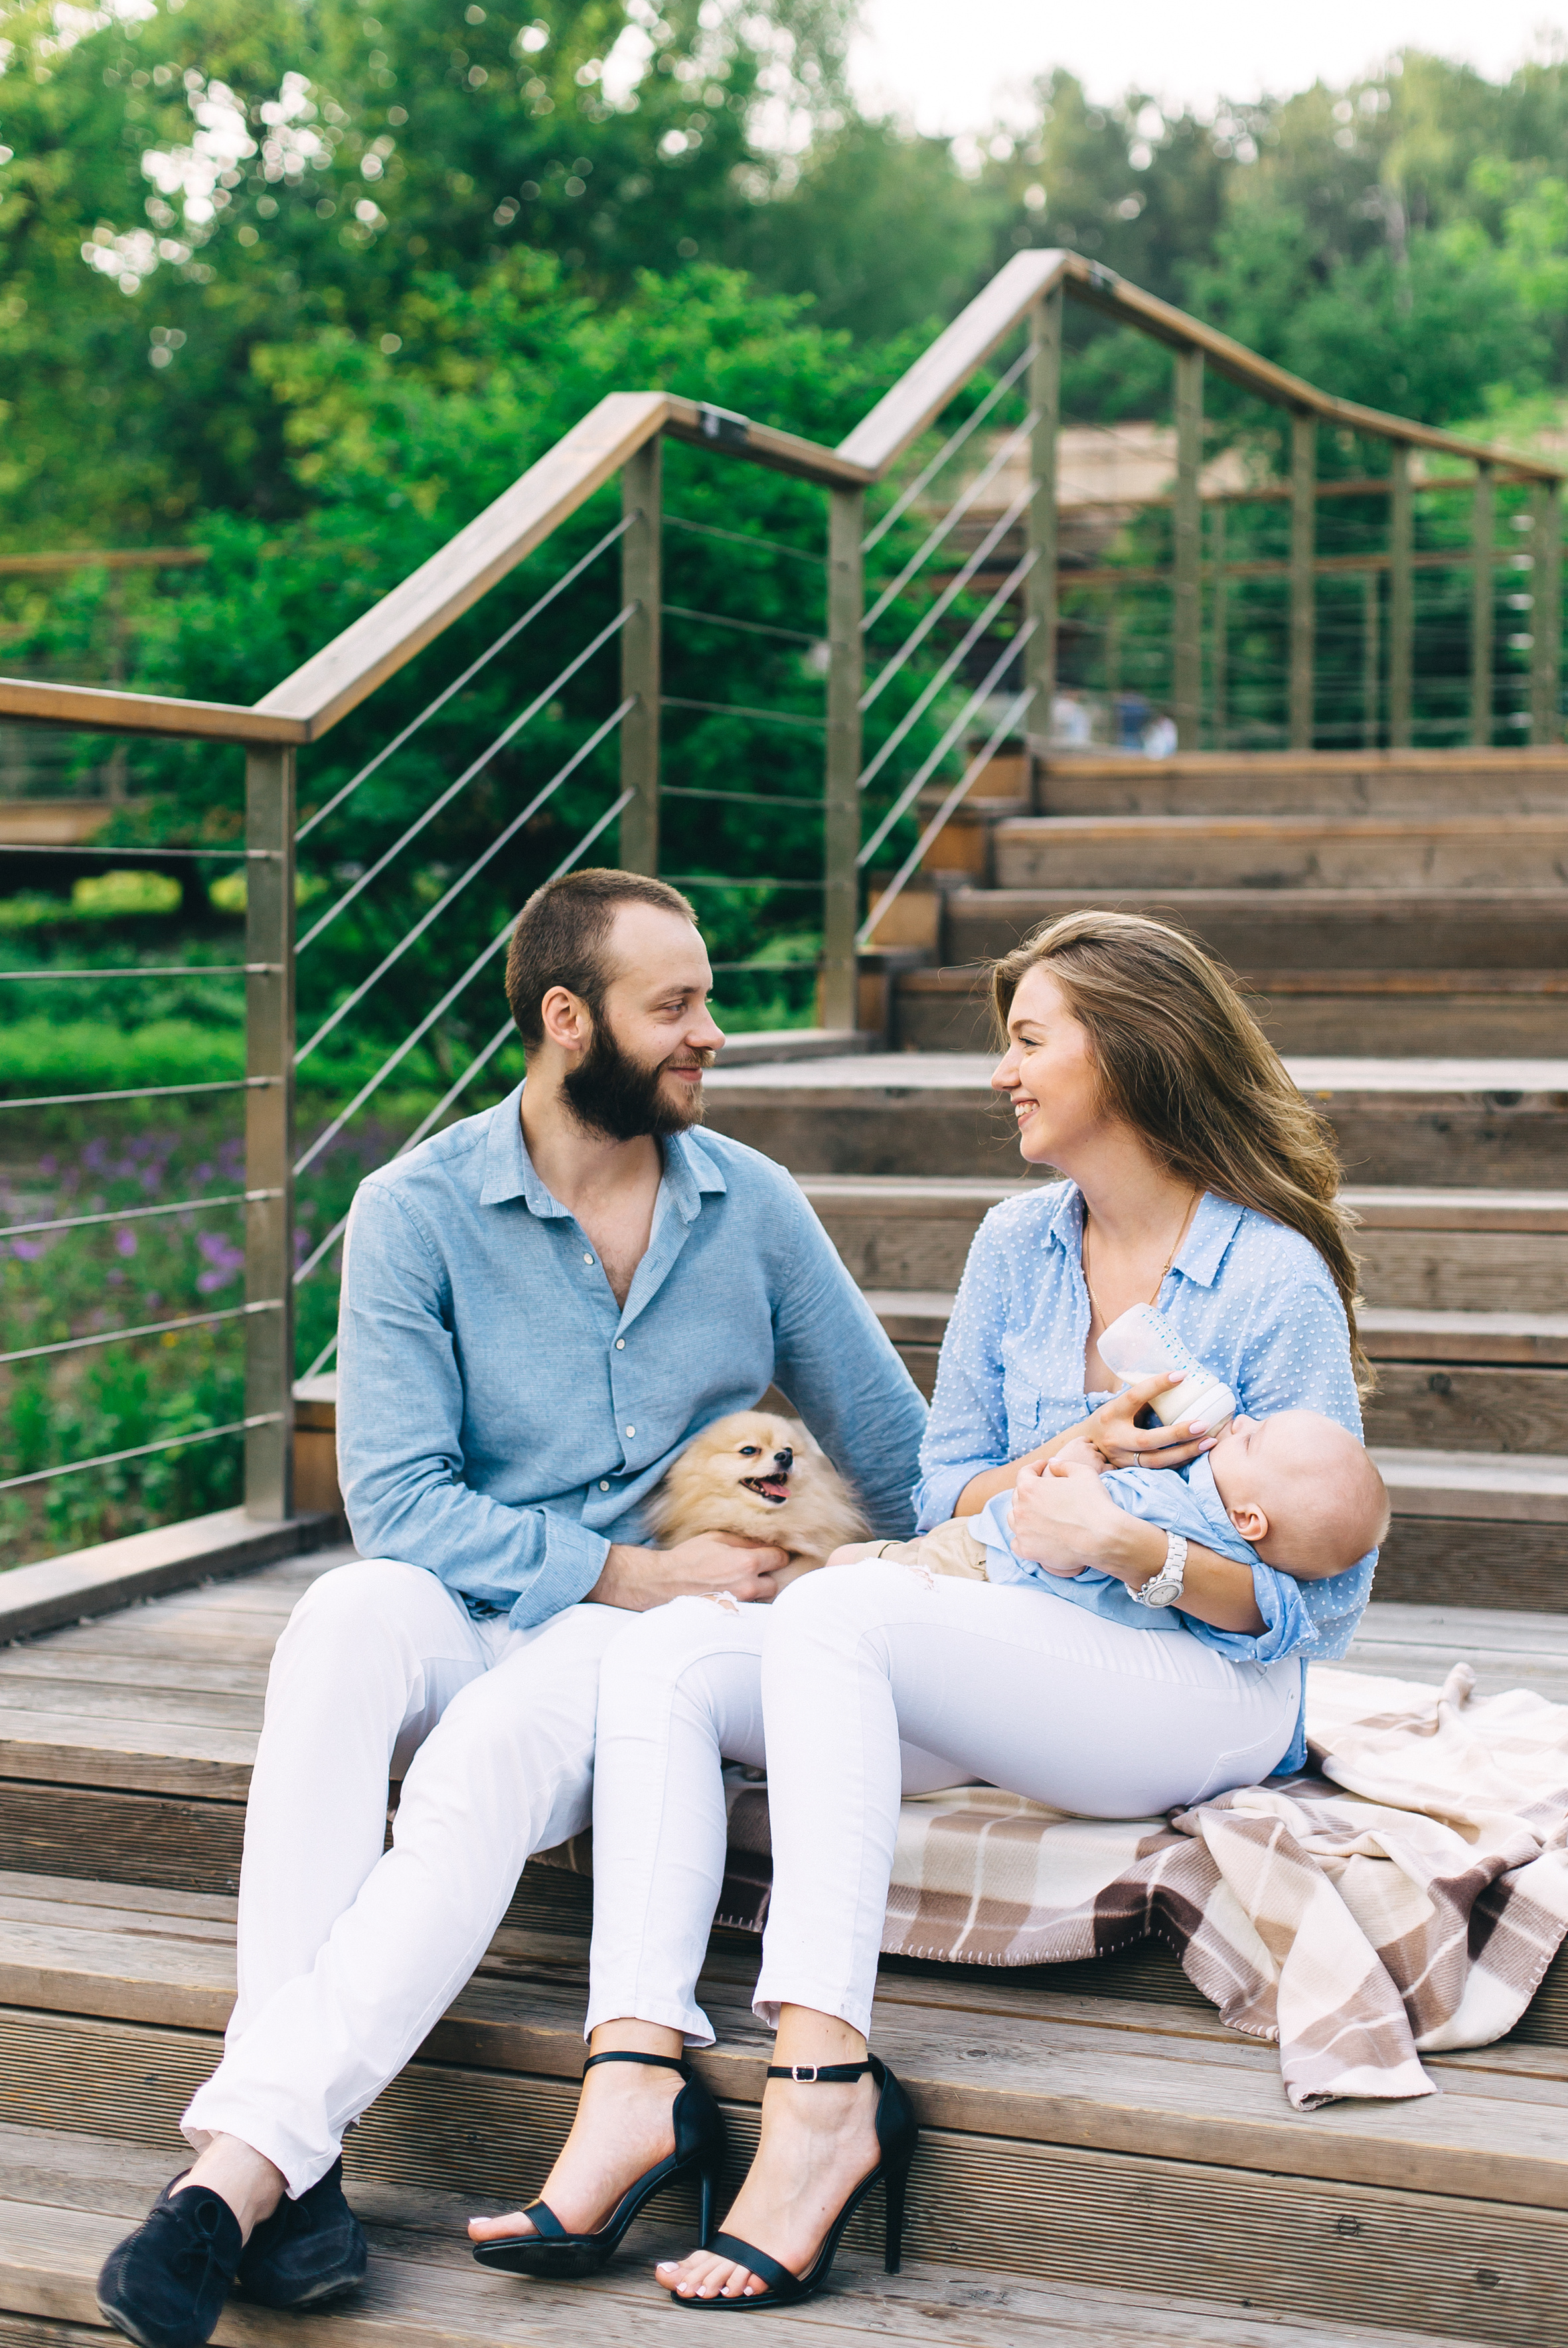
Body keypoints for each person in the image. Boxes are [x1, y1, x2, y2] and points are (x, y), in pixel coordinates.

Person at [475, 906, 1379, 2309]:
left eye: (1027, 1043)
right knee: (670, 1659)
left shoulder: (1267, 1278)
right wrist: (1067, 1467)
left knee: (839, 1620)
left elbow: (1313, 1612)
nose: (1001, 1074)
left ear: (1129, 1056)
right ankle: (634, 2072)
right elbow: (947, 1488)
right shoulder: (1016, 1247)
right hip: (1018, 1650)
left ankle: (821, 2092)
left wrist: (1132, 1548)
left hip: (1197, 1691)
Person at [94, 867, 926, 2348]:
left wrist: (1040, 1551)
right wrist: (627, 1566)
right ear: (565, 1019)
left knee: (482, 1759)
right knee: (342, 1622)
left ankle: (239, 2180)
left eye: (709, 1001)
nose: (711, 1034)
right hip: (496, 1590)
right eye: (673, 1006)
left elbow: (897, 1449)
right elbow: (399, 1505)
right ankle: (301, 2163)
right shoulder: (413, 1210)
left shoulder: (754, 1210)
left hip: (638, 1644)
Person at [835, 1405, 1390, 1603]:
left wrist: (1083, 1461)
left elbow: (1067, 1550)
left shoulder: (1170, 1505)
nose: (1241, 1419)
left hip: (984, 1562)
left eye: (1252, 1439)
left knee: (840, 1573)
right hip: (982, 1548)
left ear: (1250, 1518)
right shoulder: (1222, 1540)